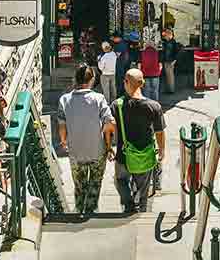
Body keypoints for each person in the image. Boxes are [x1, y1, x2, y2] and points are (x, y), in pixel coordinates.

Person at [58, 65, 116, 216]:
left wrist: (64, 142)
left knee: (79, 185)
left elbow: (62, 125)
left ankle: (79, 209)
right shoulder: (99, 99)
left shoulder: (64, 99)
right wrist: (109, 146)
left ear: (75, 79)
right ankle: (91, 211)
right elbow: (110, 123)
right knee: (95, 183)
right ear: (92, 80)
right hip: (97, 150)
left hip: (76, 151)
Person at [113, 69, 166, 214]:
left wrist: (108, 147)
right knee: (143, 188)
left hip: (123, 155)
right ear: (142, 84)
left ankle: (128, 205)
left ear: (126, 82)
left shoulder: (116, 105)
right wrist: (162, 150)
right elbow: (160, 132)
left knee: (120, 181)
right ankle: (142, 211)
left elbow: (110, 129)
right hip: (145, 154)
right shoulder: (154, 106)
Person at [112, 32, 130, 98]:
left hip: (120, 65)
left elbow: (117, 55)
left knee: (119, 81)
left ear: (117, 38)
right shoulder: (123, 43)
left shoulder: (120, 44)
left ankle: (120, 95)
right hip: (123, 65)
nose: (113, 39)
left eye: (114, 38)